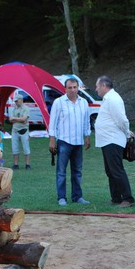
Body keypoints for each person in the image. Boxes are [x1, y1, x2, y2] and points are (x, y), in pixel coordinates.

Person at [48, 77, 92, 206]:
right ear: (65, 89)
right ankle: (61, 197)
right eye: (70, 87)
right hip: (64, 141)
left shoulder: (84, 102)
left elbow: (86, 121)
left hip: (78, 142)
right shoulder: (59, 102)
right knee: (61, 171)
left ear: (78, 88)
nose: (72, 90)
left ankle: (77, 197)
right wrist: (52, 140)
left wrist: (87, 136)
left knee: (77, 171)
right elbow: (53, 122)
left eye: (75, 87)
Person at [94, 75, 135, 208]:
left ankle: (128, 199)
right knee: (110, 171)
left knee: (117, 170)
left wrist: (127, 132)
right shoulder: (108, 99)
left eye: (97, 86)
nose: (96, 89)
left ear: (104, 86)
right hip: (107, 140)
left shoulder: (113, 99)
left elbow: (122, 120)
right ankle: (116, 197)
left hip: (113, 140)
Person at [7, 93, 31, 170]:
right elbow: (10, 119)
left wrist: (15, 119)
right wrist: (19, 120)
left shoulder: (26, 108)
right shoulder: (14, 109)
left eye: (17, 101)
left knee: (26, 148)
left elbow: (24, 119)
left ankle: (27, 164)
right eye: (15, 101)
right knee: (15, 148)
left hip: (24, 130)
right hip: (15, 131)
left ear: (21, 100)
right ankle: (16, 164)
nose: (16, 102)